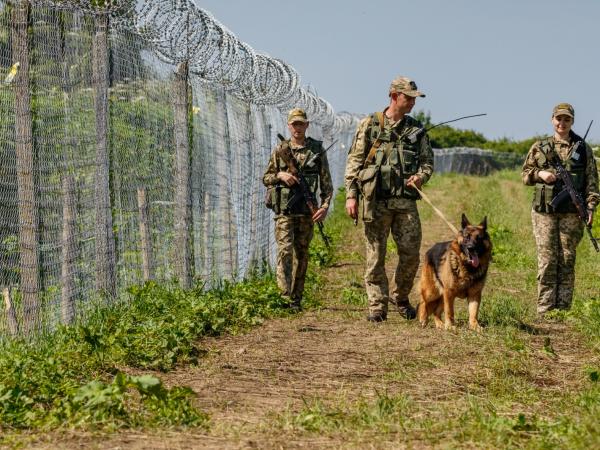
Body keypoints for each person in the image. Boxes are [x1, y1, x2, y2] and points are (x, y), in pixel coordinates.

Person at [344, 76, 434, 322]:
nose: (413, 103)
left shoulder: (416, 130)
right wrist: (351, 196)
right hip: (376, 201)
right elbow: (354, 162)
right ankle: (377, 305)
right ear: (394, 96)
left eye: (415, 99)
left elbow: (427, 162)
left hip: (405, 202)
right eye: (409, 98)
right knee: (375, 255)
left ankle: (400, 297)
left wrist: (420, 177)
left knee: (411, 254)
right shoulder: (370, 124)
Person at [521, 103, 599, 315]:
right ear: (552, 120)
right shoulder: (540, 146)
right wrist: (540, 174)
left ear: (572, 121)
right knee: (547, 259)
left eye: (566, 119)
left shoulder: (583, 149)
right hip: (544, 212)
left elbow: (592, 183)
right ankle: (545, 308)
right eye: (558, 119)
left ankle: (563, 308)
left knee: (566, 258)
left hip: (572, 214)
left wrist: (590, 208)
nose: (562, 123)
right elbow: (525, 174)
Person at [262, 108, 333, 310]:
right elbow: (265, 178)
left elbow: (326, 184)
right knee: (285, 252)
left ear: (307, 125)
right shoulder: (280, 150)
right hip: (285, 212)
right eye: (294, 124)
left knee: (302, 255)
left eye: (301, 124)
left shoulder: (316, 150)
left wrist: (325, 205)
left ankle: (296, 299)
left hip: (306, 212)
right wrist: (280, 176)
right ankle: (283, 297)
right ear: (289, 126)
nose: (297, 128)